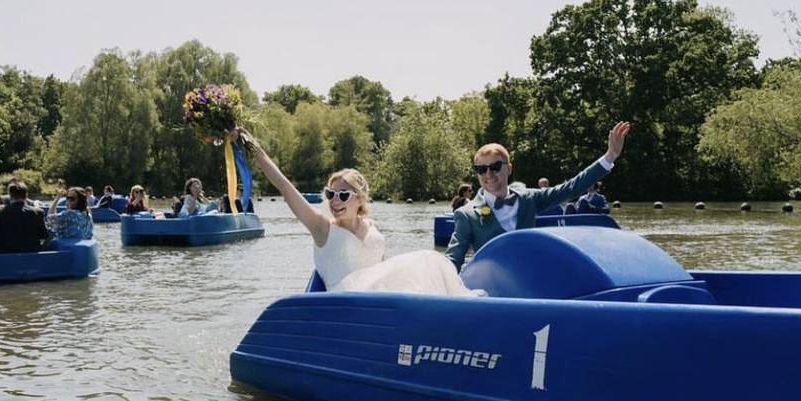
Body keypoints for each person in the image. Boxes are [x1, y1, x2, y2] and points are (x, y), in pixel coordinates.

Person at [247, 138, 478, 296]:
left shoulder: (372, 227)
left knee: (430, 261)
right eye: (331, 194)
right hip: (345, 303)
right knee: (426, 259)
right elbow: (286, 189)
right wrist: (253, 147)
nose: (335, 201)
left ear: (360, 198)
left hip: (378, 299)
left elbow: (383, 267)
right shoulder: (322, 228)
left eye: (343, 195)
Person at [446, 122, 631, 271]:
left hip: (531, 282)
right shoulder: (466, 214)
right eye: (481, 169)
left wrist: (609, 157)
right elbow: (453, 258)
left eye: (495, 167)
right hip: (492, 290)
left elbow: (570, 188)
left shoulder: (529, 198)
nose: (489, 174)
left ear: (509, 169)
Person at [0, 180, 49, 253]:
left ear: (10, 195)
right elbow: (44, 235)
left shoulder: (0, 211)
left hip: (7, 256)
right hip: (31, 255)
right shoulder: (38, 212)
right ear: (26, 195)